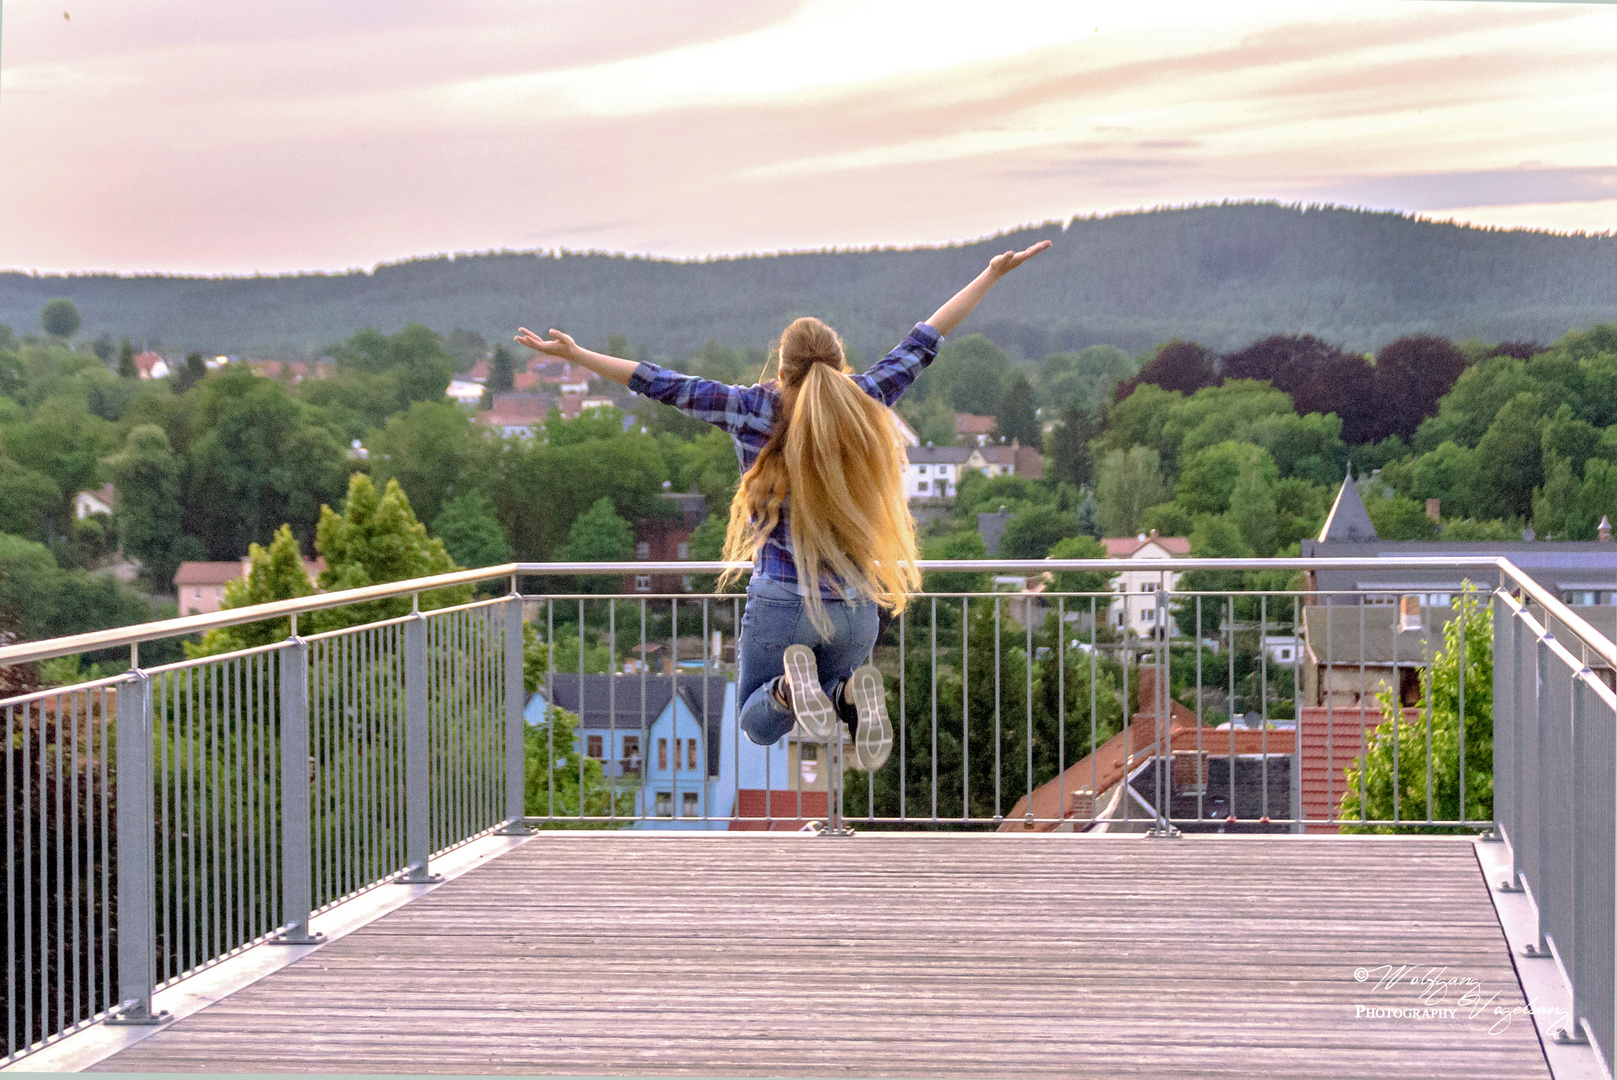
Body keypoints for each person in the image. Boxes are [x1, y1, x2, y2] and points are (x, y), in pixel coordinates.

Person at [516, 239, 1050, 771]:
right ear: (838, 362)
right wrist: (990, 274)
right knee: (837, 691)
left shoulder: (750, 408)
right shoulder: (865, 399)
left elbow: (660, 383)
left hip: (783, 602)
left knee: (755, 720)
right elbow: (925, 338)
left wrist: (578, 355)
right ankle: (842, 695)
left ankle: (789, 693)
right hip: (858, 606)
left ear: (782, 364)